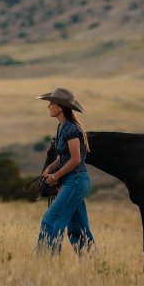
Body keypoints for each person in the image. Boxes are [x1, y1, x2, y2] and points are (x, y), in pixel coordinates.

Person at [36, 87, 95, 255]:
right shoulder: (62, 127)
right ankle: (91, 263)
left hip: (75, 181)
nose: (48, 106)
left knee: (51, 220)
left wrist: (55, 176)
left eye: (51, 104)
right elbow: (65, 156)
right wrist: (51, 167)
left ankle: (47, 261)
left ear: (60, 107)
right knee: (78, 226)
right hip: (73, 181)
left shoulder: (71, 129)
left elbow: (76, 159)